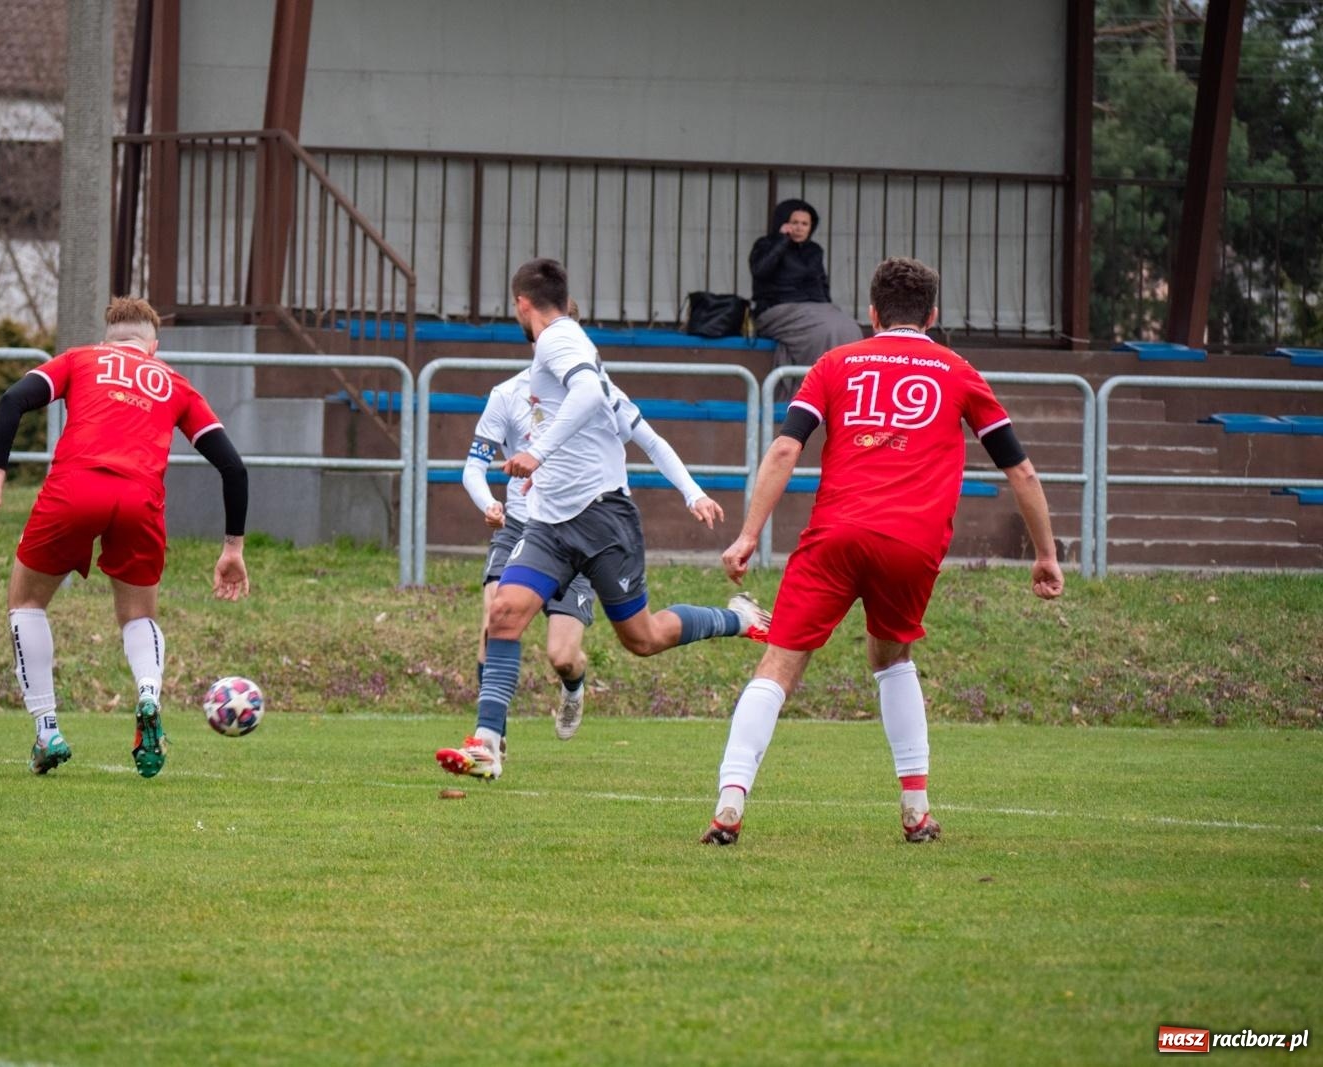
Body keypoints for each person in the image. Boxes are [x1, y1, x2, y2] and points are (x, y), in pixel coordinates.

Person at [701, 257, 1063, 846]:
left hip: (835, 537)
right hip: (912, 545)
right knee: (892, 659)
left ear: (871, 315)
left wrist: (746, 536)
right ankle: (916, 811)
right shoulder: (958, 371)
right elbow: (1019, 469)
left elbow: (784, 453)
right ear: (933, 315)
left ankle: (730, 800)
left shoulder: (835, 363)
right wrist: (1045, 554)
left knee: (780, 664)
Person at [436, 258, 770, 781]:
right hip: (547, 525)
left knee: (643, 638)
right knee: (504, 613)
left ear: (522, 304)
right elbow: (622, 417)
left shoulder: (557, 340)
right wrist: (692, 493)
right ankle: (487, 742)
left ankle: (739, 619)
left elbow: (595, 396)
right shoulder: (562, 362)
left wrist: (539, 453)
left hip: (602, 519)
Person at [0, 296, 250, 779]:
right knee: (138, 615)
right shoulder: (173, 383)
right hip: (140, 500)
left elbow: (12, 400)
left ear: (107, 338)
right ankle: (149, 696)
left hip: (74, 489)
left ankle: (47, 729)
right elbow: (233, 466)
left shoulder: (80, 359)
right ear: (152, 347)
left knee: (26, 602)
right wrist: (232, 548)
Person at [463, 364, 726, 743]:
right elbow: (473, 466)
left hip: (584, 532)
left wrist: (693, 492)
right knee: (497, 614)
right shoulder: (507, 394)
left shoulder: (600, 392)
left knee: (564, 656)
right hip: (523, 528)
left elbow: (650, 441)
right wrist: (489, 504)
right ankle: (490, 740)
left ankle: (573, 684)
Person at [749, 198, 864, 387]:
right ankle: (813, 388)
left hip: (815, 309)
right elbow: (760, 270)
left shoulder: (814, 250)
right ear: (784, 223)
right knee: (826, 330)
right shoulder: (766, 244)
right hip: (777, 309)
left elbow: (822, 284)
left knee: (849, 328)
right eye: (795, 223)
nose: (800, 228)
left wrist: (829, 309)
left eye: (805, 224)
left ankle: (842, 388)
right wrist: (781, 241)